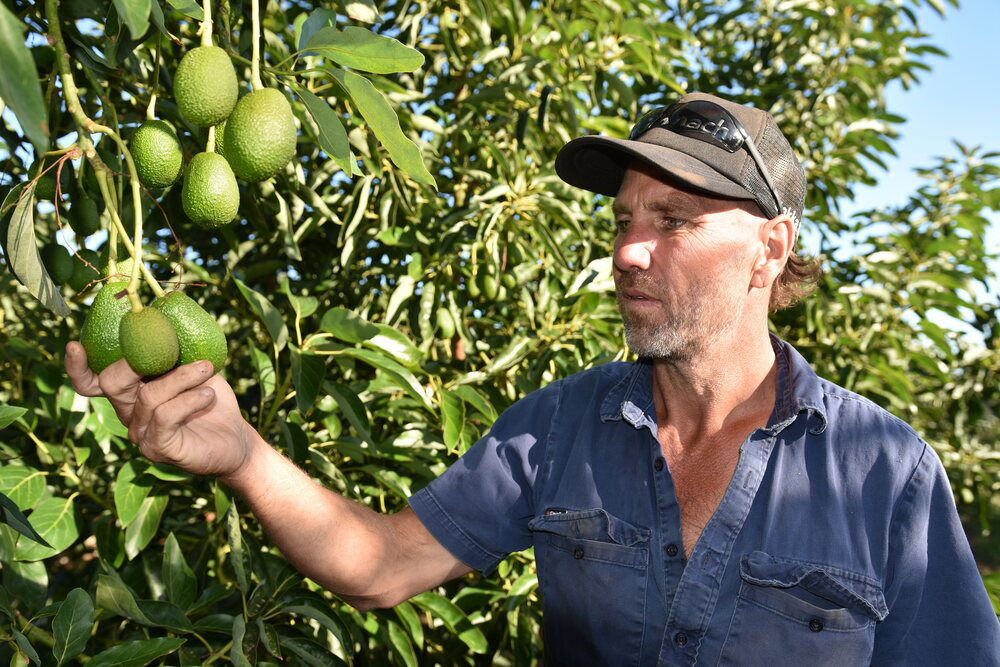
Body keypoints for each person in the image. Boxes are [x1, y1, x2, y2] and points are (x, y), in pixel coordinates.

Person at [64, 92, 1000, 666]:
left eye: (672, 221)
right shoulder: (564, 426)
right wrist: (240, 452)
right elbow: (383, 564)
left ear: (770, 248)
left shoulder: (886, 472)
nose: (629, 250)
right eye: (625, 217)